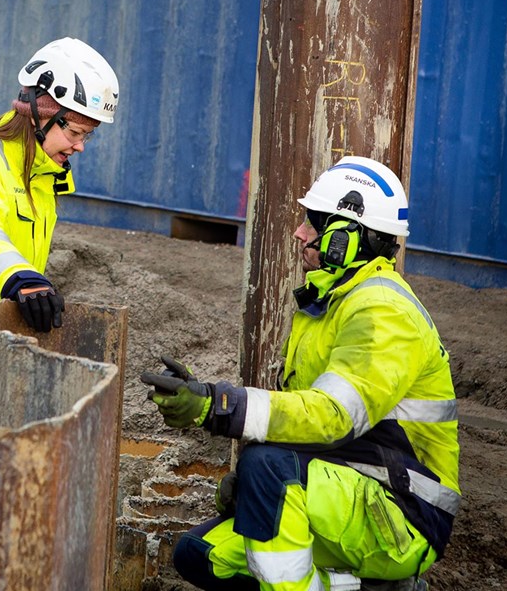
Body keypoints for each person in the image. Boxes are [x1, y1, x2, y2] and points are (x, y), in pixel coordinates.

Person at [141, 157, 459, 591]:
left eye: (313, 224)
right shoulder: (334, 300)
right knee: (201, 556)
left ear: (347, 237)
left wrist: (217, 405)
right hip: (356, 493)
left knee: (268, 470)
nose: (299, 233)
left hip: (402, 516)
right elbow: (306, 422)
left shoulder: (384, 311)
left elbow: (332, 416)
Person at [0, 37, 120, 332]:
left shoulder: (41, 173)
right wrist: (21, 277)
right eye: (74, 132)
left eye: (87, 136)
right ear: (39, 115)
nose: (80, 146)